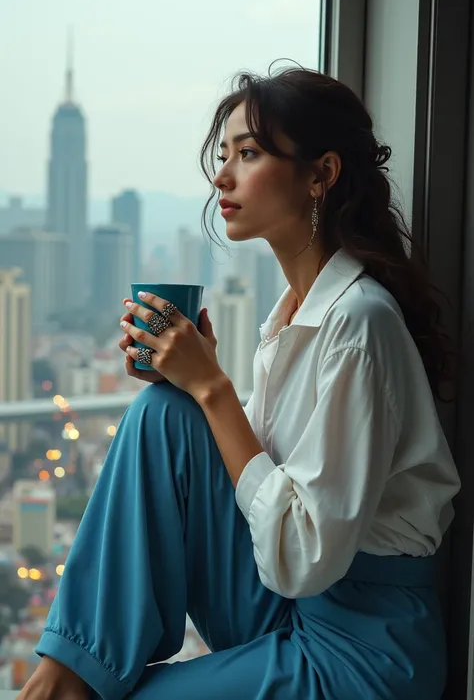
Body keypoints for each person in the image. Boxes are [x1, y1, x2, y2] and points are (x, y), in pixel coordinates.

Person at [19, 64, 460, 700]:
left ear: (321, 174)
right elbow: (275, 487)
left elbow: (304, 555)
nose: (221, 176)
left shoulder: (359, 324)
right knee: (164, 411)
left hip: (362, 655)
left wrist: (215, 391)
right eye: (222, 155)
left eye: (248, 153)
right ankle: (62, 675)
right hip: (293, 605)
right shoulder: (291, 316)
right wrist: (197, 380)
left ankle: (63, 685)